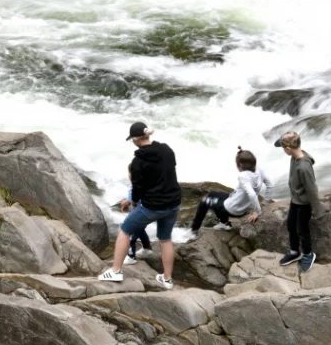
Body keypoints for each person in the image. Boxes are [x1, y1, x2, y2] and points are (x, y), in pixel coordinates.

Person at [99, 122, 181, 289]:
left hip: (152, 206)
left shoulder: (138, 162)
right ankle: (167, 279)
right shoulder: (166, 150)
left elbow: (138, 188)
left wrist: (134, 202)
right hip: (173, 202)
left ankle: (115, 271)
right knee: (165, 239)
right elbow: (170, 169)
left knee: (125, 229)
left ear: (136, 139)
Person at [187, 147, 273, 238]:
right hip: (235, 200)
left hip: (231, 208)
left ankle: (193, 231)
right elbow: (270, 185)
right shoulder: (259, 170)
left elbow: (251, 194)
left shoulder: (243, 176)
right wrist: (265, 202)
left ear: (240, 165)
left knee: (205, 201)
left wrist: (257, 211)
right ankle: (224, 223)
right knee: (212, 194)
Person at [274, 131, 322, 272]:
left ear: (288, 149)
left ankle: (308, 254)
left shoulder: (304, 167)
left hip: (304, 204)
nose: (283, 150)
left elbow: (312, 189)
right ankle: (295, 252)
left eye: (283, 148)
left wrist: (317, 210)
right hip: (295, 200)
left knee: (302, 230)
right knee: (291, 226)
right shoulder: (294, 157)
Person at [121, 163, 152, 265]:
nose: (128, 175)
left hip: (140, 213)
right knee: (140, 229)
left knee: (130, 232)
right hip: (149, 212)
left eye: (129, 173)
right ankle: (147, 248)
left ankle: (131, 256)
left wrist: (124, 205)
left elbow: (129, 201)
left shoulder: (135, 186)